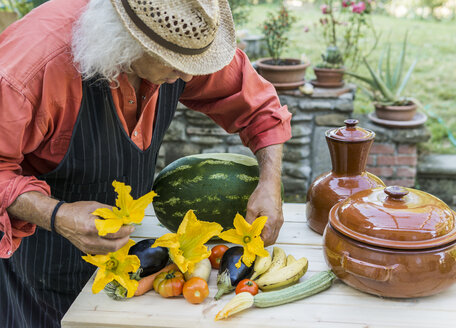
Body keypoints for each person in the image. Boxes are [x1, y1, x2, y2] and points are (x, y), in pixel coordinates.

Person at [0, 0, 291, 326]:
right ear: (127, 40)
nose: (188, 75)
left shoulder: (185, 38)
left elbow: (260, 109)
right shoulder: (28, 72)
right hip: (41, 263)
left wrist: (269, 182)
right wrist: (58, 215)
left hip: (130, 256)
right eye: (174, 64)